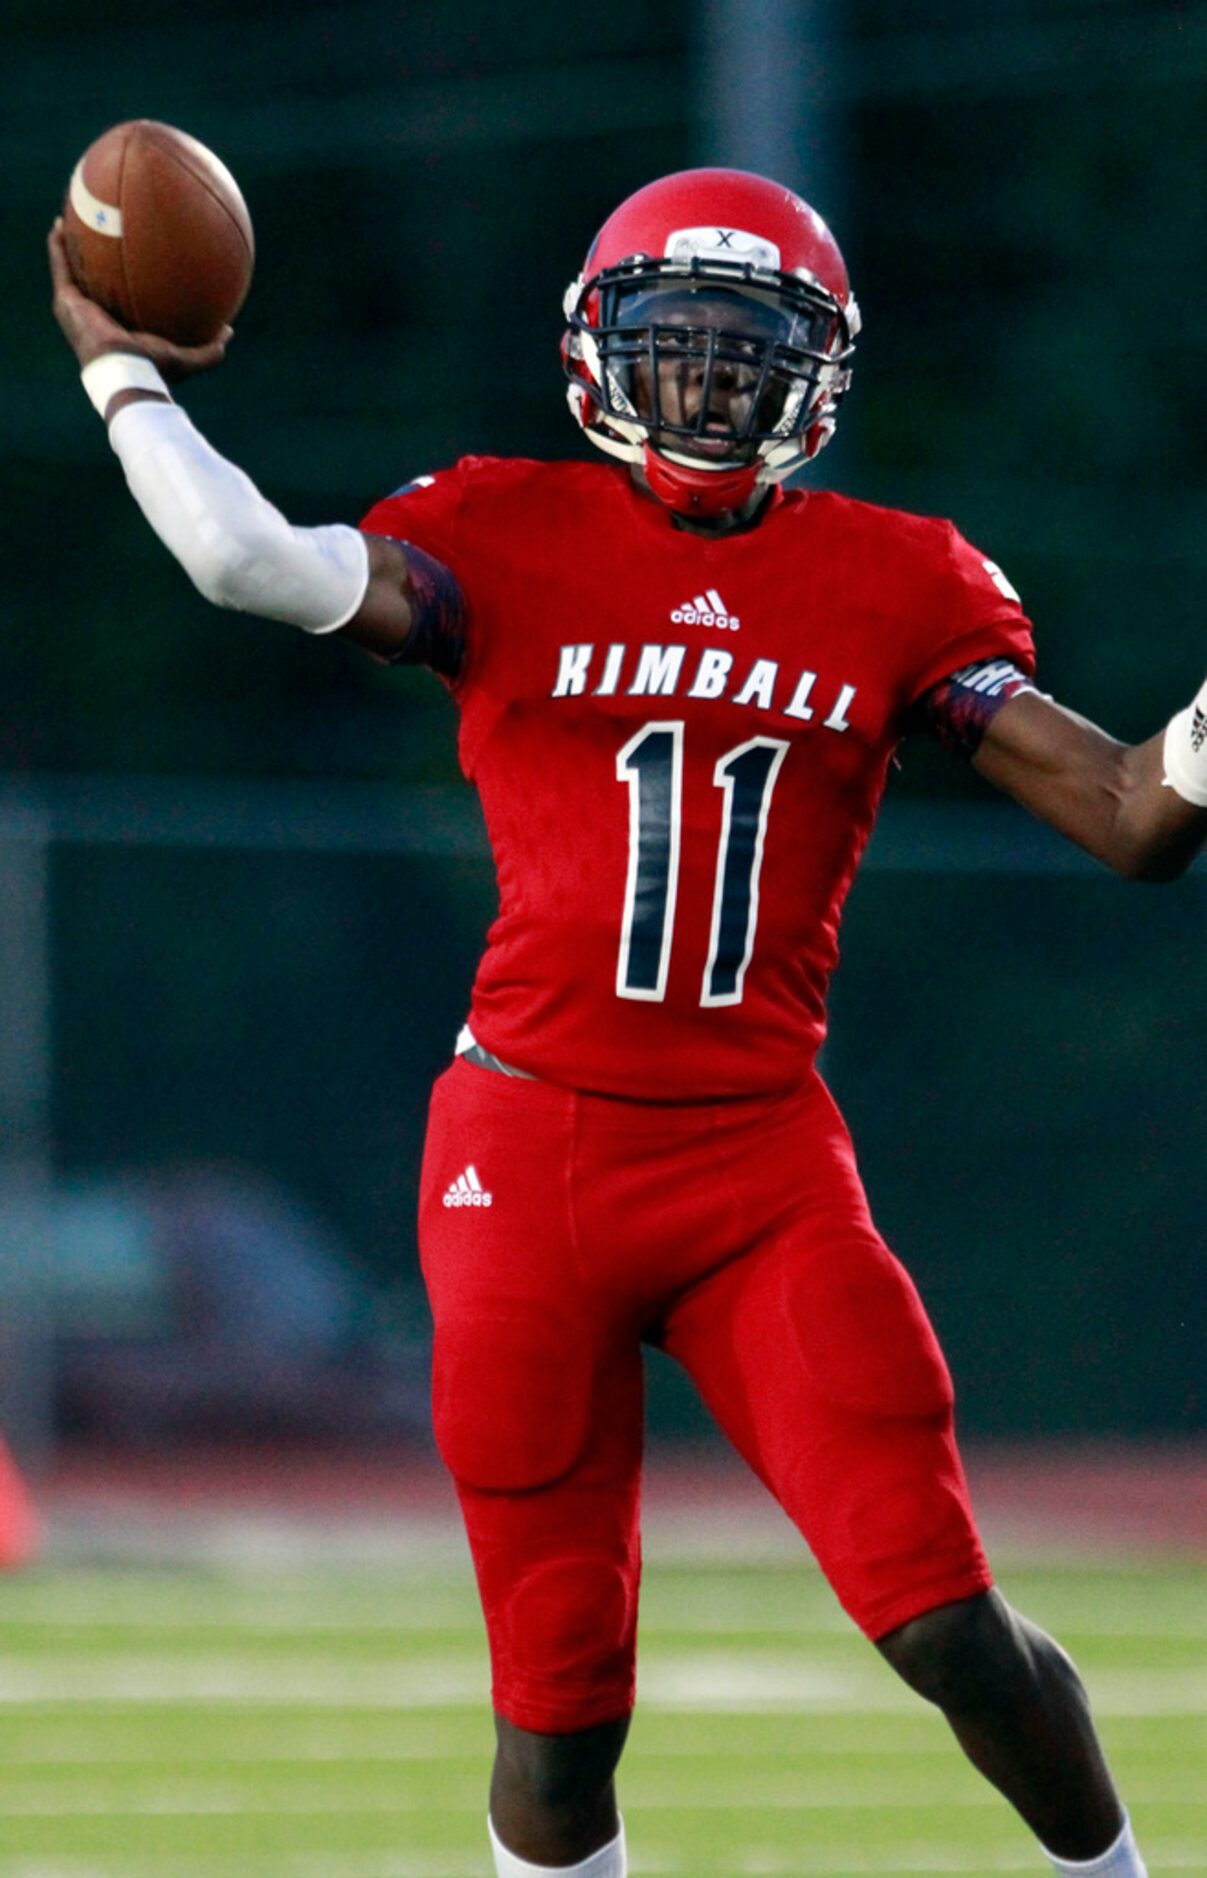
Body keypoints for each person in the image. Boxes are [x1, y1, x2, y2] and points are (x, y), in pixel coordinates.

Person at [51, 166, 1204, 1878]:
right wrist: (120, 372)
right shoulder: (500, 527)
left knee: (944, 1612)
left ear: (816, 377)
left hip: (759, 1166)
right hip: (524, 1154)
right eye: (683, 346)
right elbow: (242, 559)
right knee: (562, 1706)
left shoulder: (899, 580)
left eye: (755, 352)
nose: (717, 385)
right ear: (607, 354)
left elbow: (1131, 815)